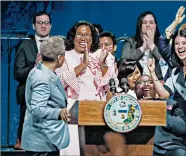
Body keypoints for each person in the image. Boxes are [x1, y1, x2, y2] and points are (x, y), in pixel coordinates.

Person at [56, 21, 117, 156]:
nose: (83, 38)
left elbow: (109, 83)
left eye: (87, 35)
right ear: (73, 37)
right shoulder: (64, 56)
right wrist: (83, 65)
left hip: (97, 109)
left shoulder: (102, 54)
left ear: (92, 37)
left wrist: (101, 65)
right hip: (73, 111)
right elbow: (60, 82)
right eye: (79, 34)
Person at [21, 36, 69, 156]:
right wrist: (59, 112)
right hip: (41, 143)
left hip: (45, 141)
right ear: (59, 58)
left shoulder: (40, 71)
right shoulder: (42, 77)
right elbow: (37, 109)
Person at [13, 11, 52, 149]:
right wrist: (34, 67)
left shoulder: (57, 44)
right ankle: (22, 138)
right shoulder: (25, 45)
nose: (43, 26)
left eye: (46, 23)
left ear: (50, 26)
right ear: (33, 26)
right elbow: (17, 73)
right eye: (40, 23)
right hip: (29, 90)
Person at [134, 75, 186, 156]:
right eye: (140, 82)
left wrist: (158, 113)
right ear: (135, 90)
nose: (146, 85)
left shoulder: (170, 104)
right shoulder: (130, 107)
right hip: (140, 148)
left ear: (155, 88)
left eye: (150, 82)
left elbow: (182, 128)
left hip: (169, 148)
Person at [121, 11, 163, 81]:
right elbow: (124, 64)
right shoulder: (130, 42)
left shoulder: (162, 42)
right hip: (135, 84)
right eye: (144, 23)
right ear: (139, 25)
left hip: (157, 84)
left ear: (155, 26)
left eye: (151, 22)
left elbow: (167, 62)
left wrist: (152, 46)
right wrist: (143, 48)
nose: (148, 25)